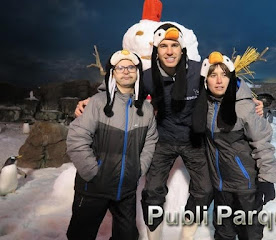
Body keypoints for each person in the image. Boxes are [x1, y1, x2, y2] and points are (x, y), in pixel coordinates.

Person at [74, 23, 264, 240]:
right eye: (163, 46)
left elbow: (229, 82)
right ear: (156, 49)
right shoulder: (147, 76)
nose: (169, 51)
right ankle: (155, 237)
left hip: (194, 139)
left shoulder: (197, 71)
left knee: (204, 189)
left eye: (174, 45)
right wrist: (94, 98)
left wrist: (248, 99)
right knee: (152, 190)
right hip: (162, 140)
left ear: (182, 49)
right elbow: (120, 82)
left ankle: (186, 235)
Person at [66, 49, 158, 240]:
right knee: (81, 235)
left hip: (126, 190)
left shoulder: (146, 109)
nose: (126, 71)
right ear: (113, 73)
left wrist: (138, 169)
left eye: (131, 66)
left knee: (127, 236)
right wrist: (92, 171)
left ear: (137, 72)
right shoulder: (97, 103)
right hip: (93, 187)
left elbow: (150, 140)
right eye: (120, 67)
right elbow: (77, 138)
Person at [192, 51, 276, 240]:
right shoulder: (204, 105)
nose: (219, 80)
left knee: (249, 232)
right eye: (213, 75)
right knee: (223, 233)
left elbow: (262, 143)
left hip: (245, 185)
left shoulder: (245, 107)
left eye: (224, 74)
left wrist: (267, 180)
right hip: (221, 186)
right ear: (206, 80)